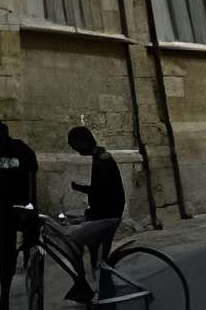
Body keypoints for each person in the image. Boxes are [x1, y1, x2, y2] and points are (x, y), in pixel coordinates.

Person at [64, 125, 123, 303]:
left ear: (82, 143)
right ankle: (101, 290)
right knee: (97, 254)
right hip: (106, 214)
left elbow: (100, 190)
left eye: (75, 146)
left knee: (73, 243)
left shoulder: (101, 159)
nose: (76, 151)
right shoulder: (99, 156)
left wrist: (79, 188)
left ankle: (86, 287)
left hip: (108, 216)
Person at [0, 119, 39, 310]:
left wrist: (32, 206)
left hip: (22, 207)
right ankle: (6, 294)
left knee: (30, 251)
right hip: (5, 210)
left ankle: (31, 291)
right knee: (5, 255)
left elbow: (32, 177)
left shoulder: (22, 150)